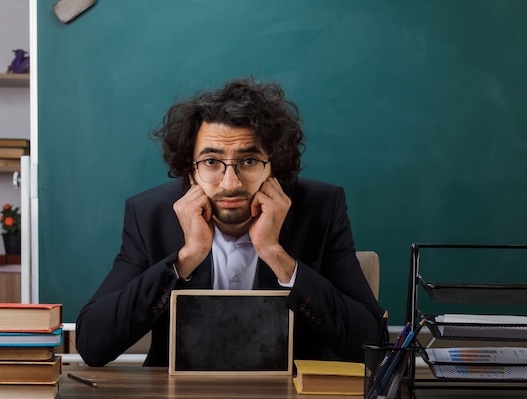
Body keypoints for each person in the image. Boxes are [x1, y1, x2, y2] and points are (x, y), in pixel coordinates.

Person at [76, 77, 386, 367]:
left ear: (273, 165)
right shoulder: (150, 214)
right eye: (211, 162)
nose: (229, 183)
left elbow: (373, 345)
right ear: (190, 168)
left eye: (248, 161)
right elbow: (92, 344)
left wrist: (276, 255)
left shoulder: (321, 208)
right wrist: (186, 258)